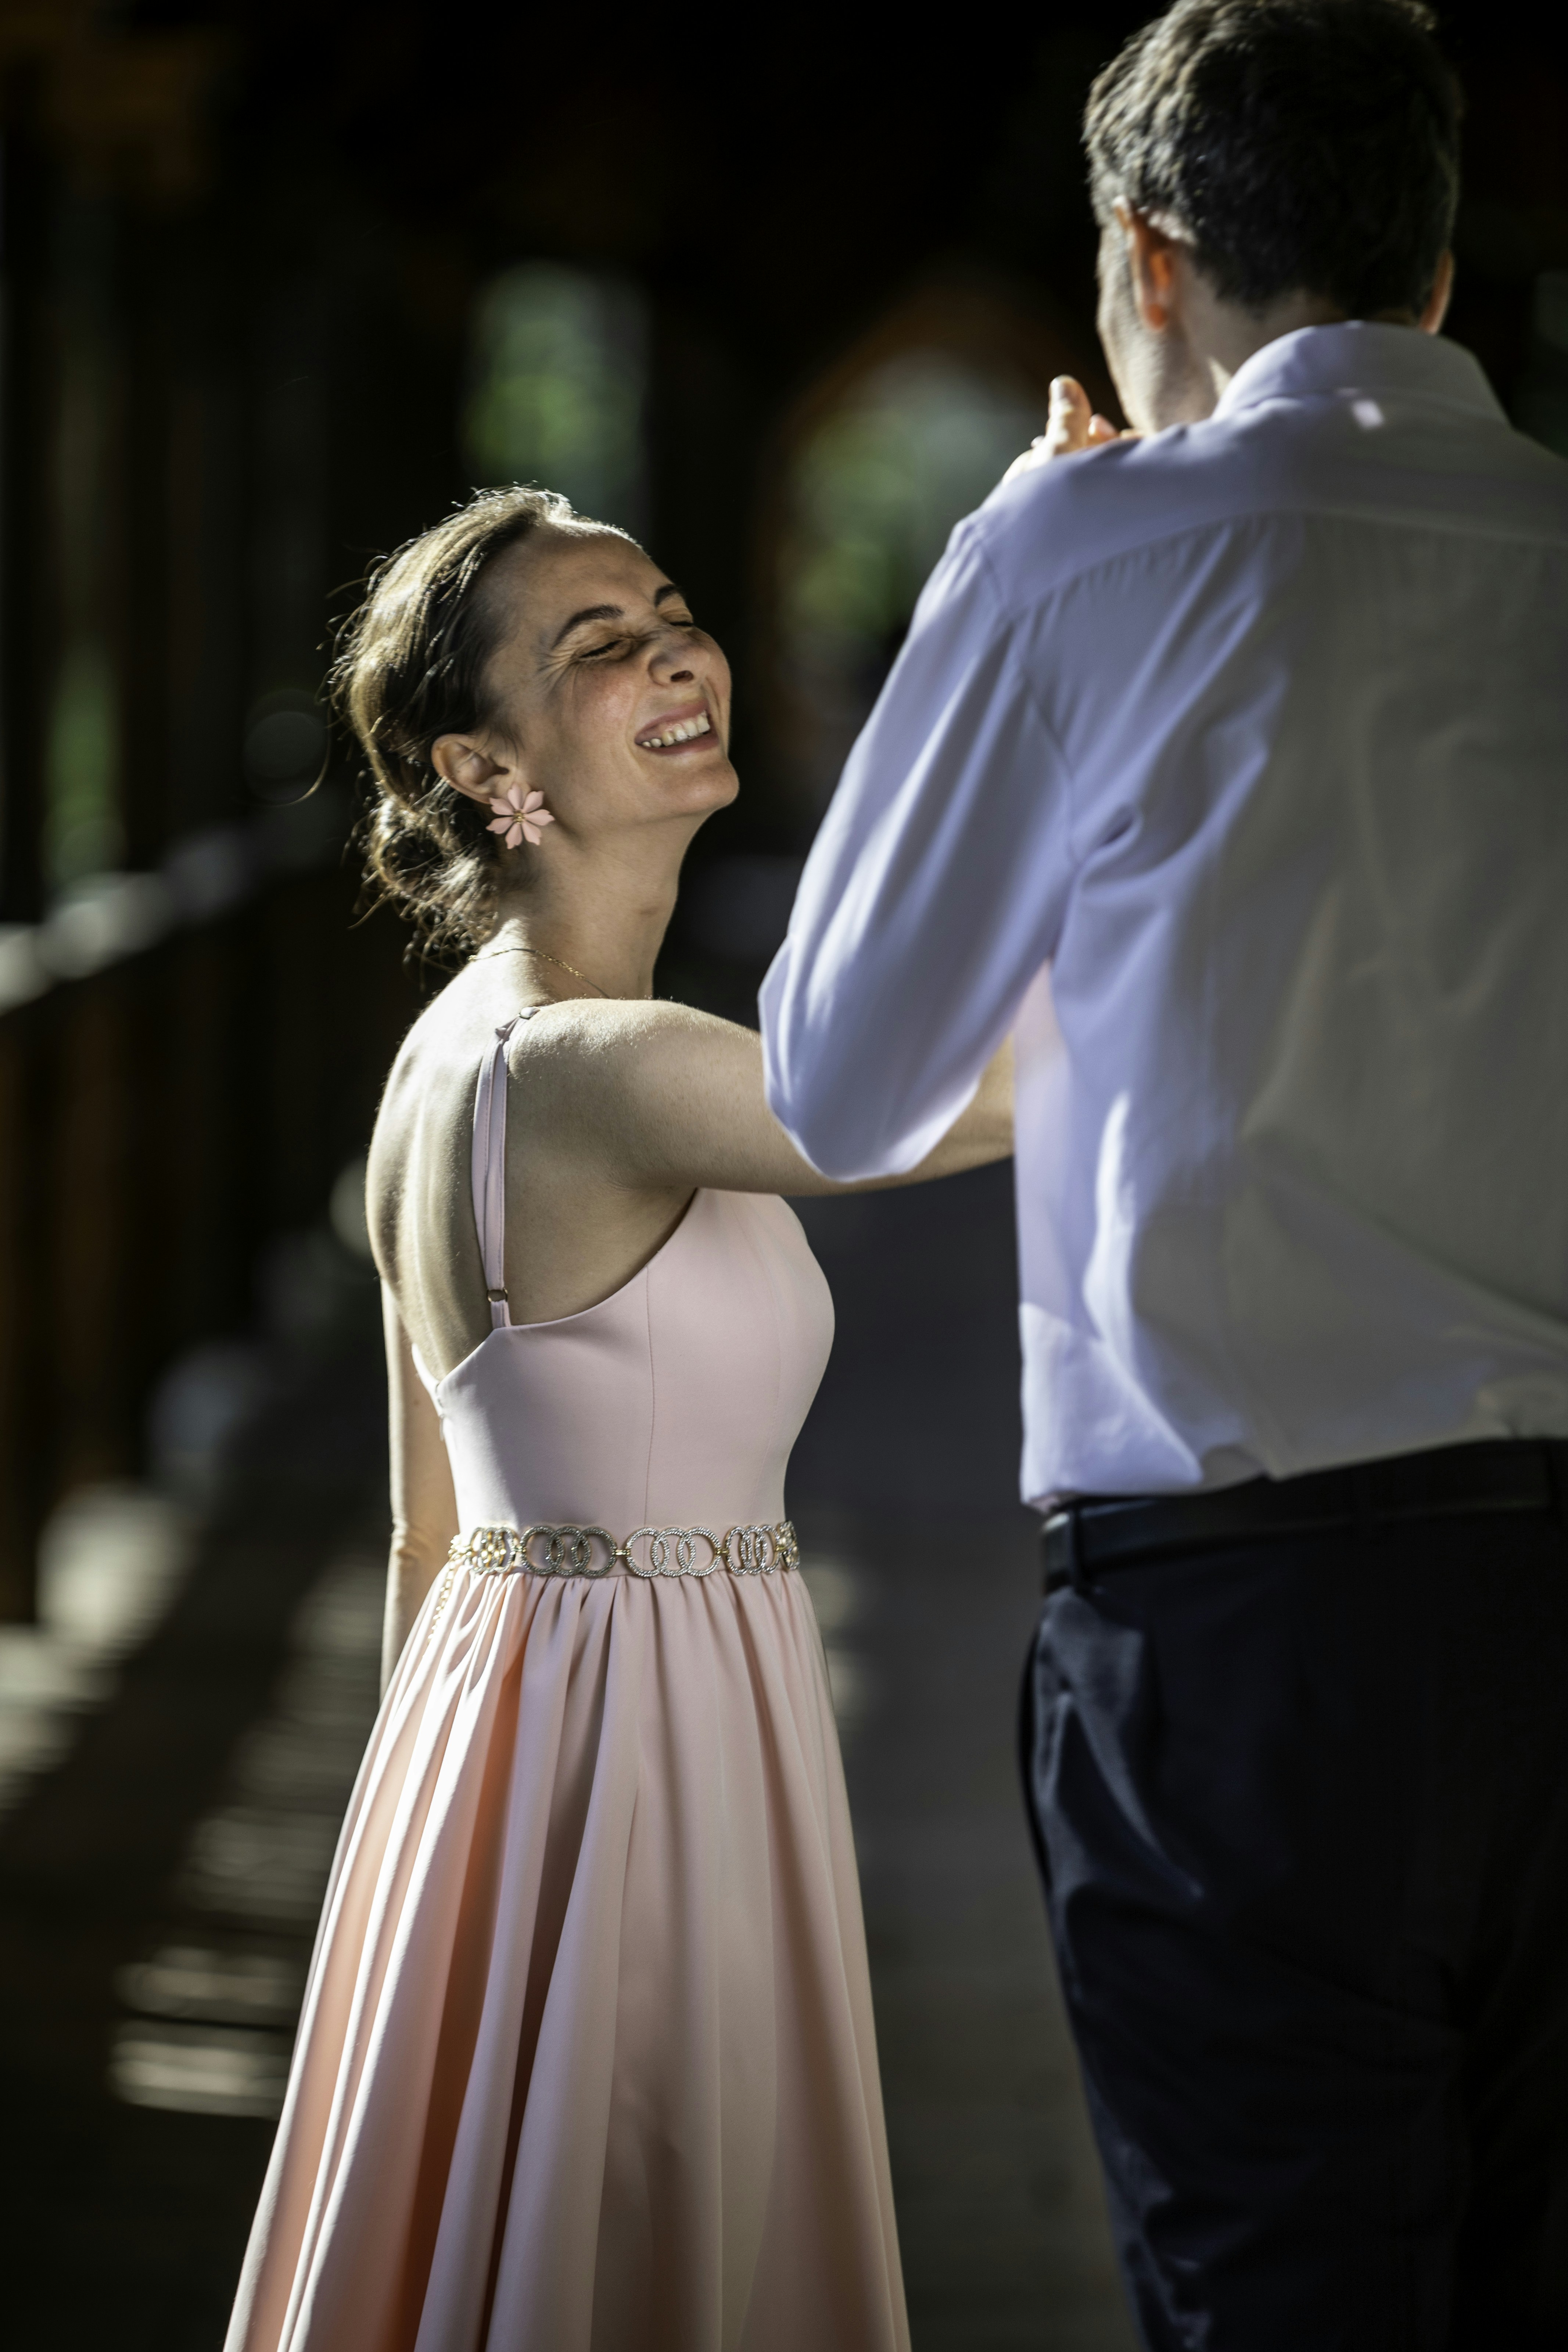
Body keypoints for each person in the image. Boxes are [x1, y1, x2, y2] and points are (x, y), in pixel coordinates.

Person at [760, 1, 1568, 2342]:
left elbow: (839, 1081)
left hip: (1242, 1626)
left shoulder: (1089, 549)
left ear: (1138, 255)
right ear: (1427, 271)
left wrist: (1008, 538)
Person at [223, 486, 1012, 2352]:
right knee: (644, 2214)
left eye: (668, 609)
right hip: (648, 1716)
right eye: (596, 645)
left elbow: (428, 1533)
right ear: (483, 765)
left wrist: (443, 1887)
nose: (672, 648)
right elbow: (938, 1101)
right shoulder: (592, 1063)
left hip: (501, 1712)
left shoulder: (442, 1058)